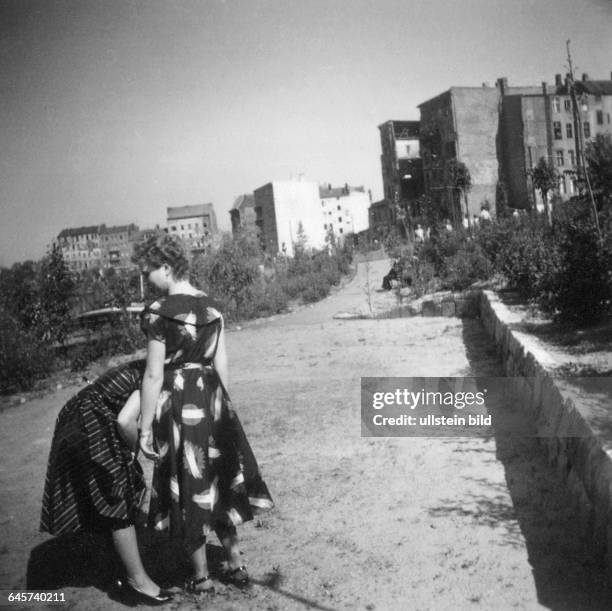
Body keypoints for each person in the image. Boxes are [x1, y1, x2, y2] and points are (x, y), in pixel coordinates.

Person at [134, 234, 273, 593]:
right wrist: (224, 406)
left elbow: (152, 374)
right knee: (219, 477)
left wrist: (145, 426)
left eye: (148, 272)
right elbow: (220, 361)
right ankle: (235, 563)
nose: (146, 279)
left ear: (166, 268)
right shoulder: (212, 308)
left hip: (180, 402)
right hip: (213, 398)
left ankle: (200, 576)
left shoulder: (158, 313)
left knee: (189, 480)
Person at [40, 360, 172, 604]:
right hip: (90, 421)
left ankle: (118, 571)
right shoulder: (156, 376)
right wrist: (134, 452)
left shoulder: (152, 364)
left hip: (80, 414)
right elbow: (125, 421)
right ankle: (138, 582)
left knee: (107, 492)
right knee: (116, 493)